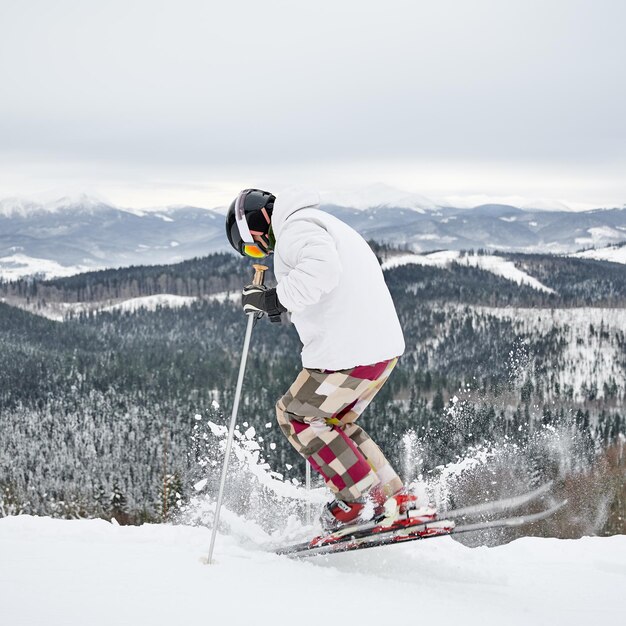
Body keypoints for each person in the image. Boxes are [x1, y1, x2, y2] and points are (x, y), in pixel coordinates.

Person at [225, 187, 418, 531]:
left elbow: (322, 271)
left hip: (348, 349)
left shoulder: (294, 229)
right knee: (334, 423)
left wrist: (272, 300)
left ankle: (358, 501)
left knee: (296, 414)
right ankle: (394, 499)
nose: (262, 252)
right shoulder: (320, 222)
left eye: (253, 245)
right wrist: (279, 301)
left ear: (260, 221)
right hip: (379, 347)